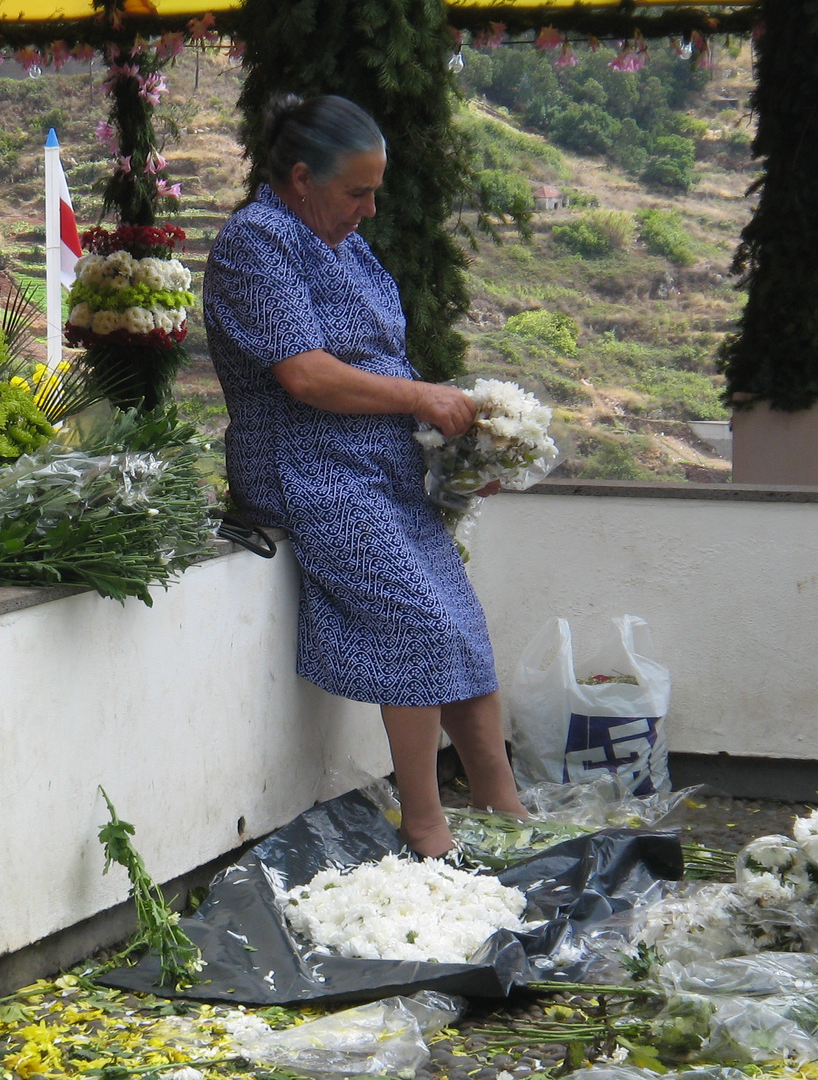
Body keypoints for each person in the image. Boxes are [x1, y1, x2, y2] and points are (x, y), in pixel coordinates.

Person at [203, 93, 525, 857]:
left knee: (462, 628)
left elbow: (388, 364)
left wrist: (457, 448)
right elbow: (308, 376)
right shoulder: (257, 244)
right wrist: (421, 399)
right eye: (357, 192)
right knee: (417, 626)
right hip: (308, 471)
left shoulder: (344, 245)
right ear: (302, 177)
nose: (370, 209)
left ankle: (505, 810)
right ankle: (427, 828)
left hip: (378, 465)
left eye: (374, 192)